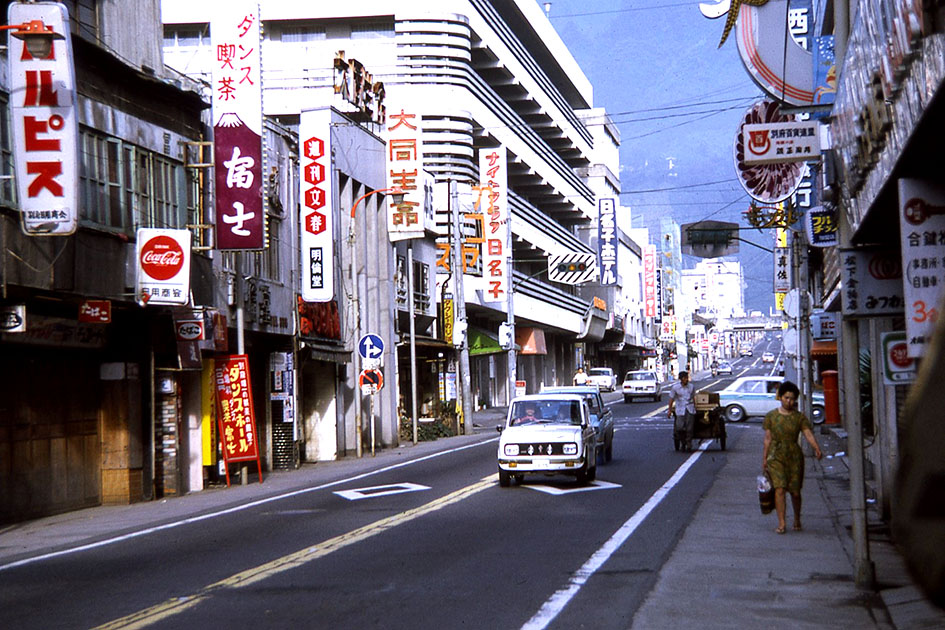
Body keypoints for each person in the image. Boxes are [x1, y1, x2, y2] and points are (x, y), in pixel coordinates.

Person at [762, 380, 823, 534]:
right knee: (780, 488)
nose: (789, 401)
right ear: (780, 397)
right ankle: (781, 523)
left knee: (795, 491)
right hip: (776, 455)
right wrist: (764, 458)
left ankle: (796, 517)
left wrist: (816, 448)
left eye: (792, 398)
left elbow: (807, 433)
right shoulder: (771, 416)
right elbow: (767, 438)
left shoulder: (799, 418)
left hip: (794, 455)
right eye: (786, 398)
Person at [667, 370, 696, 451]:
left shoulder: (691, 387)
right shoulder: (675, 388)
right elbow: (671, 399)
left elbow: (694, 397)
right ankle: (683, 442)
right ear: (681, 379)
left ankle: (689, 443)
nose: (686, 379)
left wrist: (696, 407)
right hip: (680, 409)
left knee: (689, 428)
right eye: (684, 378)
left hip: (690, 408)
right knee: (679, 427)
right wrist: (669, 410)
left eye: (687, 378)